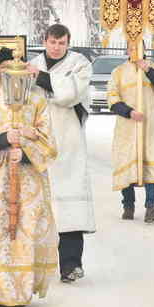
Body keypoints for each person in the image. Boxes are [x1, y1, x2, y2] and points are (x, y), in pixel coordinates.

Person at [0, 48, 58, 307]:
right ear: (0, 77)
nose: (14, 82)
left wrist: (28, 152)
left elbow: (50, 143)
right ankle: (0, 295)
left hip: (29, 181)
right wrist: (5, 140)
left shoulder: (38, 103)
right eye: (8, 76)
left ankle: (21, 291)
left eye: (19, 77)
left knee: (26, 233)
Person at [28, 24, 95, 283]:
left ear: (68, 43)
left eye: (62, 43)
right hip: (38, 138)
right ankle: (35, 264)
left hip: (68, 140)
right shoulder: (31, 63)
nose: (56, 47)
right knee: (37, 205)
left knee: (69, 205)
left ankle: (70, 264)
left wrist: (40, 77)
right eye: (52, 42)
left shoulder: (80, 64)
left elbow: (70, 94)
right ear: (44, 41)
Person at [107, 51, 154, 222]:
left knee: (150, 161)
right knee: (126, 161)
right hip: (127, 126)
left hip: (150, 125)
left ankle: (152, 207)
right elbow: (112, 98)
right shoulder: (118, 72)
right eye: (131, 45)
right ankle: (128, 205)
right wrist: (128, 112)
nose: (134, 49)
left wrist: (148, 70)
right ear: (127, 49)